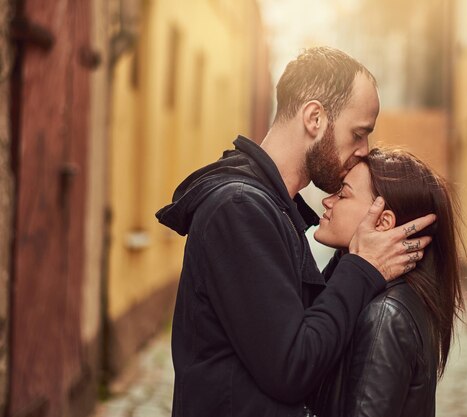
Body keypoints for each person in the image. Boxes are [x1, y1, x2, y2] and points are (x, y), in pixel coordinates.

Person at [155, 47, 435, 417]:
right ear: (315, 118)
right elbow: (291, 368)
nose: (364, 150)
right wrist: (363, 267)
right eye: (358, 133)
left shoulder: (271, 209)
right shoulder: (240, 209)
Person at [308, 148, 465, 417]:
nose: (328, 201)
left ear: (382, 221)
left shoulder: (386, 315)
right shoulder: (378, 294)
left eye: (343, 193)